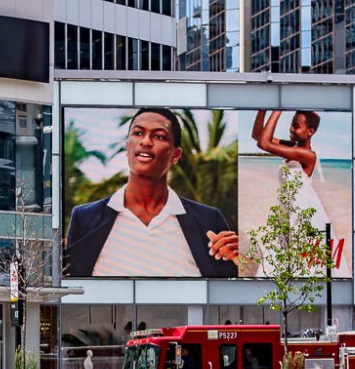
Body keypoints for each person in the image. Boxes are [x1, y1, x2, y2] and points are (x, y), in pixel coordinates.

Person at [65, 107, 239, 278]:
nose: (146, 141)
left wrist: (242, 262)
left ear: (176, 155)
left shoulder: (208, 220)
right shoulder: (85, 218)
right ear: (127, 147)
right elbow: (71, 287)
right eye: (138, 133)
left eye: (159, 136)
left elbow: (227, 289)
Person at [251, 110, 337, 277]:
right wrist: (262, 108)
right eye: (291, 124)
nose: (290, 129)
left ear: (310, 131)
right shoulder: (292, 148)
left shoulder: (308, 155)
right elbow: (257, 136)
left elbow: (264, 144)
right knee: (277, 263)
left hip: (303, 217)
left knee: (302, 268)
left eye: (296, 126)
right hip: (288, 213)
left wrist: (277, 108)